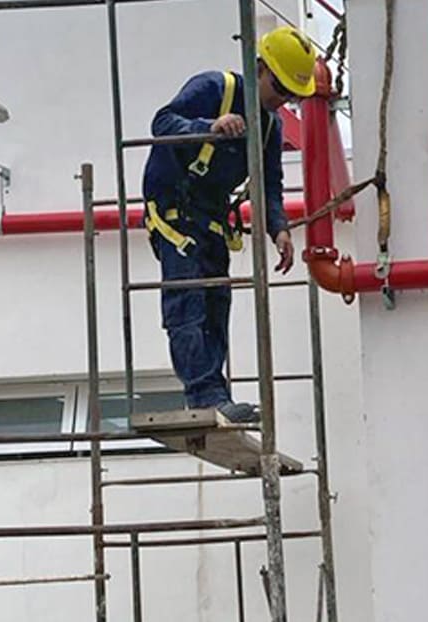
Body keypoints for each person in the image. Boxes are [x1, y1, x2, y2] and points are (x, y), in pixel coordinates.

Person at [142, 27, 317, 424]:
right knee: (187, 304)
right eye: (280, 87)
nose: (283, 99)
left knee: (216, 306)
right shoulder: (213, 87)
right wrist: (209, 126)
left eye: (292, 94)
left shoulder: (270, 127)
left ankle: (215, 396)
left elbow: (269, 183)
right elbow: (162, 122)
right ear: (259, 68)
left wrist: (279, 228)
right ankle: (204, 396)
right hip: (175, 212)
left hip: (213, 220)